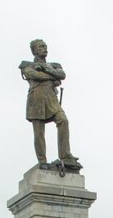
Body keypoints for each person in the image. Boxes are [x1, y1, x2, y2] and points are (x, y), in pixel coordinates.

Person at [19, 39, 78, 168]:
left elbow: (62, 75)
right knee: (39, 133)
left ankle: (66, 156)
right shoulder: (26, 65)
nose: (45, 49)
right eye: (41, 47)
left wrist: (46, 69)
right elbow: (34, 75)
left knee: (63, 120)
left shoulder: (54, 64)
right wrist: (52, 76)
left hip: (51, 99)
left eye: (45, 46)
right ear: (34, 50)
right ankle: (42, 161)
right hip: (36, 100)